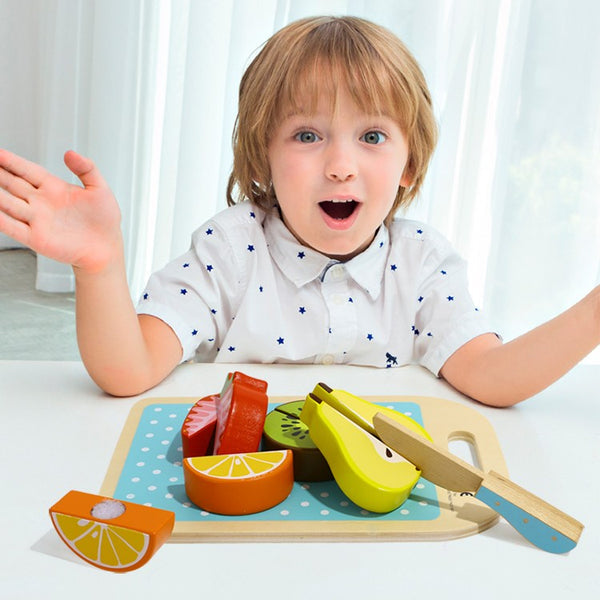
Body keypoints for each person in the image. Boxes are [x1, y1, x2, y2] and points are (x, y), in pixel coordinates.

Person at [0, 16, 598, 405]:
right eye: (308, 136)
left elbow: (495, 378)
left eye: (372, 137)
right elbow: (127, 372)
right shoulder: (230, 252)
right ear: (262, 154)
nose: (341, 165)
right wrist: (99, 266)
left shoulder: (424, 264)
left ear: (409, 165)